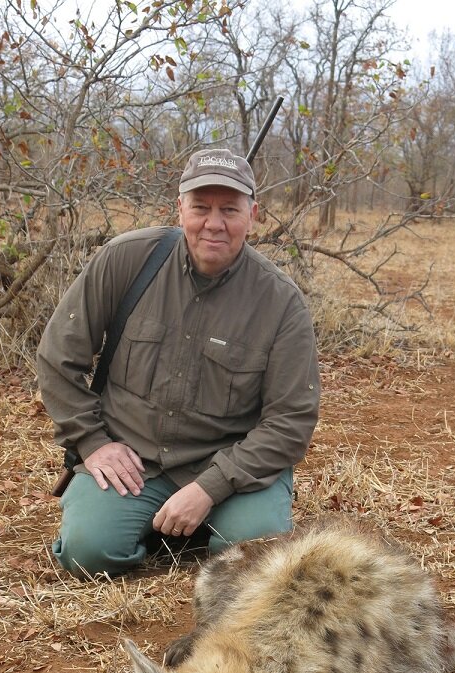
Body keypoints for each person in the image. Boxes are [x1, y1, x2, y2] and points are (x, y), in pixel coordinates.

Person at [37, 148, 320, 578]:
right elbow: (59, 356)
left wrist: (210, 487)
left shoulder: (281, 302)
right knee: (86, 554)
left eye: (230, 209)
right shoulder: (126, 260)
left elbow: (291, 420)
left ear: (254, 214)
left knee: (257, 560)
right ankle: (151, 526)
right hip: (135, 461)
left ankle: (204, 524)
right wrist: (92, 442)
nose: (214, 223)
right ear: (180, 208)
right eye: (201, 207)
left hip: (230, 469)